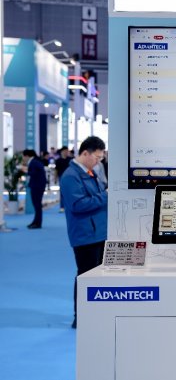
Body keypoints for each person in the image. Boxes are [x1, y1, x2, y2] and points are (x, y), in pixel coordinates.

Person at [60, 136, 108, 329]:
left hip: (99, 232)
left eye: (101, 158)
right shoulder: (70, 176)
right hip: (85, 234)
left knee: (98, 275)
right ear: (85, 153)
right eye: (97, 157)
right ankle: (80, 316)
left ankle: (94, 313)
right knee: (85, 275)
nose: (98, 161)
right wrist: (106, 196)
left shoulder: (90, 172)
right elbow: (78, 204)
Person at [21, 149, 47, 229]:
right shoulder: (35, 161)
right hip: (38, 185)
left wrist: (25, 171)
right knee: (37, 205)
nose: (23, 158)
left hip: (37, 186)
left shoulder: (34, 162)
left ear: (27, 156)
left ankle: (37, 223)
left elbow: (35, 173)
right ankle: (36, 222)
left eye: (23, 156)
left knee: (37, 205)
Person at [55, 146, 73, 212]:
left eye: (67, 151)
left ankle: (70, 206)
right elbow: (56, 170)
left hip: (70, 178)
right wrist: (55, 178)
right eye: (65, 151)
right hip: (61, 177)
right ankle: (62, 207)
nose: (66, 152)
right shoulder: (58, 160)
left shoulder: (71, 160)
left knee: (71, 192)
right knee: (62, 192)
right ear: (61, 152)